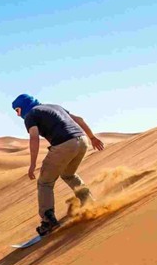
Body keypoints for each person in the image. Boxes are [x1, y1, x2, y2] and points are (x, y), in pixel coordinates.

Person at [12, 93, 105, 236]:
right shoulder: (55, 106)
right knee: (68, 174)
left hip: (64, 144)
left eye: (17, 110)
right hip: (82, 141)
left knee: (45, 182)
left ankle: (48, 220)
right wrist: (92, 137)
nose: (18, 115)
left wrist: (32, 164)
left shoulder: (31, 114)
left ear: (24, 106)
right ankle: (89, 201)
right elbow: (79, 119)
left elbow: (34, 138)